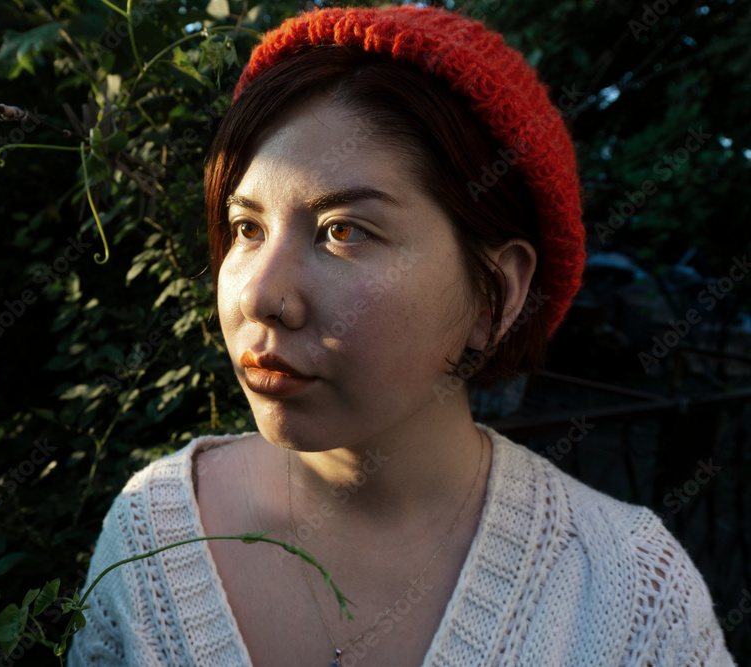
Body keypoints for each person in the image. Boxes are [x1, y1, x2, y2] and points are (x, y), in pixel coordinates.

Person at [69, 6, 735, 666]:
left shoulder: (629, 596)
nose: (258, 295)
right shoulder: (152, 537)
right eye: (248, 227)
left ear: (494, 293)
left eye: (343, 230)